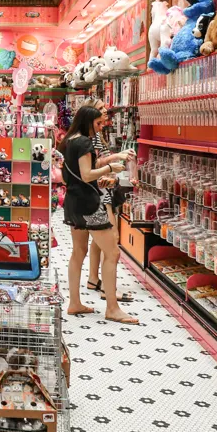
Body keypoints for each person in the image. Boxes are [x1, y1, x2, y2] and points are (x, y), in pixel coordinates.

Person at [58, 105, 138, 325]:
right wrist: (111, 168)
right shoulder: (83, 141)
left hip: (73, 201)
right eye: (97, 123)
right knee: (112, 253)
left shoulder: (68, 140)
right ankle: (112, 308)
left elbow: (69, 175)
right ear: (87, 121)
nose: (100, 127)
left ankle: (74, 302)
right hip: (88, 203)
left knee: (78, 251)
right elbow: (87, 174)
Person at [85, 99, 134, 304]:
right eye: (101, 109)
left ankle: (93, 279)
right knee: (110, 238)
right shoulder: (91, 137)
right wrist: (117, 158)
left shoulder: (95, 134)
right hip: (99, 189)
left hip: (100, 187)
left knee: (98, 241)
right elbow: (96, 162)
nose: (105, 111)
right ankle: (107, 288)